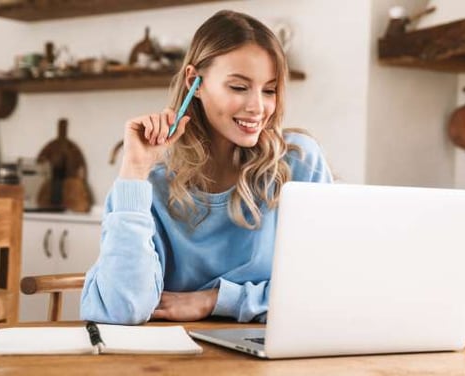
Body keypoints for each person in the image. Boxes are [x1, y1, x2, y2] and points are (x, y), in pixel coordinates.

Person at [80, 10, 333, 325]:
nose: (258, 107)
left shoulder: (298, 163)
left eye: (269, 90)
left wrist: (215, 300)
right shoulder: (154, 178)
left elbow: (324, 290)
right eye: (239, 87)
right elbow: (122, 309)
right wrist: (134, 170)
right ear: (194, 82)